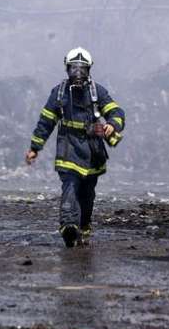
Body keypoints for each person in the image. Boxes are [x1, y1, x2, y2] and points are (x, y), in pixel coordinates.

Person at [25, 47, 125, 248]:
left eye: (82, 68)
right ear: (67, 68)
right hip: (68, 149)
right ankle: (69, 227)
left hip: (92, 152)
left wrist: (111, 125)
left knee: (87, 194)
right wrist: (35, 147)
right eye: (73, 68)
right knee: (70, 188)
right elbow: (46, 121)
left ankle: (84, 226)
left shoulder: (98, 92)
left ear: (89, 70)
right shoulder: (59, 94)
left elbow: (117, 112)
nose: (77, 73)